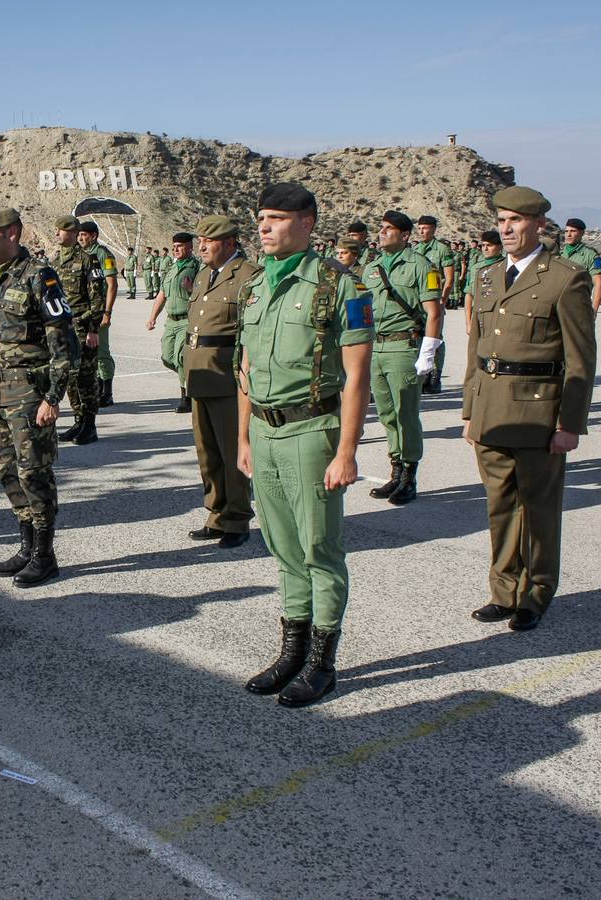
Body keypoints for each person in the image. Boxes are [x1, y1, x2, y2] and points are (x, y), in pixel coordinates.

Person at [238, 183, 373, 708]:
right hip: (266, 435)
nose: (264, 227)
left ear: (308, 222)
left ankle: (322, 662)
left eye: (275, 218)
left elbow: (358, 378)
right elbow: (246, 368)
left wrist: (347, 450)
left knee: (319, 550)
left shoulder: (340, 287)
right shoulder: (256, 286)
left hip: (312, 433)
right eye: (261, 219)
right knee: (283, 548)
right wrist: (244, 437)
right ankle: (291, 653)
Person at [463, 186, 596, 632]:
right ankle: (503, 591)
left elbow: (580, 358)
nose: (507, 228)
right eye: (502, 220)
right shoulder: (486, 275)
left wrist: (569, 423)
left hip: (538, 414)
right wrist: (469, 411)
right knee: (500, 506)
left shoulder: (564, 277)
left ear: (539, 225)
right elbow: (476, 349)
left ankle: (535, 593)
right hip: (491, 411)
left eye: (516, 220)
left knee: (538, 508)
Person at [0, 206, 77, 587]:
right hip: (0, 395)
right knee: (8, 473)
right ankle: (26, 545)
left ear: (12, 232)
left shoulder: (40, 277)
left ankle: (45, 555)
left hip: (30, 395)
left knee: (34, 474)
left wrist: (53, 397)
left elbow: (65, 342)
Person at [181, 216, 257, 548]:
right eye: (200, 240)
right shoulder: (201, 276)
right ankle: (216, 514)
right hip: (200, 375)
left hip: (227, 378)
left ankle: (237, 520)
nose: (201, 246)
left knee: (231, 453)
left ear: (228, 243)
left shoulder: (248, 276)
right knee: (207, 453)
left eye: (207, 241)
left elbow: (251, 332)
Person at [363, 211, 442, 505]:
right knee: (386, 413)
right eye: (380, 228)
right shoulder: (371, 269)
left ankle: (409, 475)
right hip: (376, 348)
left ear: (405, 235)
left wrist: (427, 354)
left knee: (405, 414)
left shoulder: (421, 266)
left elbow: (434, 313)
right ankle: (395, 471)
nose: (381, 233)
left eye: (388, 229)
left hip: (403, 347)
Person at [49, 215, 98, 444]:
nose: (57, 234)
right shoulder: (55, 261)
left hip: (82, 327)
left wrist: (93, 329)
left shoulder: (88, 260)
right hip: (63, 329)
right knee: (68, 377)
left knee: (85, 379)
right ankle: (78, 421)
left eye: (61, 230)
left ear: (73, 233)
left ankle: (89, 425)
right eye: (57, 230)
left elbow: (97, 300)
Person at [146, 232, 202, 413]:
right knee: (168, 358)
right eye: (174, 246)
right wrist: (152, 317)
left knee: (180, 357)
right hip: (171, 321)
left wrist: (191, 288)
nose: (176, 249)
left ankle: (186, 397)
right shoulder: (171, 268)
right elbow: (162, 294)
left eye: (180, 246)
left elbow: (206, 294)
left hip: (187, 320)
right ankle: (194, 379)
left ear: (190, 247)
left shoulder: (197, 268)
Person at [77, 222, 119, 407]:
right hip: (83, 311)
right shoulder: (79, 254)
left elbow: (112, 284)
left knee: (101, 352)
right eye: (79, 235)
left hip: (98, 311)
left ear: (94, 235)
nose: (80, 238)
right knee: (86, 353)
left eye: (84, 235)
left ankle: (106, 392)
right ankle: (96, 389)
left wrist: (107, 312)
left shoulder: (103, 254)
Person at [414, 215, 454, 392]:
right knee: (419, 336)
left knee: (436, 338)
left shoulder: (442, 249)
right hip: (418, 302)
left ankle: (435, 376)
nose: (422, 231)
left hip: (434, 299)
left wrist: (443, 300)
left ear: (434, 229)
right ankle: (423, 375)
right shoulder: (415, 249)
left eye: (425, 228)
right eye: (420, 228)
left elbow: (449, 277)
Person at [559, 218, 601, 313]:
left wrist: (594, 311)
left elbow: (599, 283)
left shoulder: (592, 256)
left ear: (581, 233)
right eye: (566, 231)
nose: (568, 234)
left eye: (573, 231)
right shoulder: (558, 254)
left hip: (579, 308)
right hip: (558, 308)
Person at [463, 230, 504, 327]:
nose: (485, 249)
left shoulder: (506, 266)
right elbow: (469, 295)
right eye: (483, 245)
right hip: (478, 316)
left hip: (498, 318)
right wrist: (468, 323)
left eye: (489, 245)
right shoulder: (475, 268)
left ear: (500, 247)